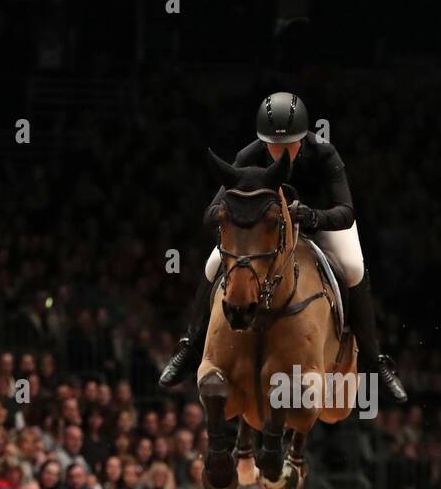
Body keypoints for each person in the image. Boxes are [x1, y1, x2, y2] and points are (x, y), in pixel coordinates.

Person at [158, 92, 407, 403]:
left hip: (322, 224)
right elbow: (211, 212)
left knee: (354, 268)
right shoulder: (249, 156)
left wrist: (313, 216)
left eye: (289, 144)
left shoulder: (325, 154)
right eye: (273, 145)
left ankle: (375, 362)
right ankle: (190, 347)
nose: (280, 151)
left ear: (303, 137)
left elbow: (346, 211)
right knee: (213, 266)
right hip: (267, 233)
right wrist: (235, 210)